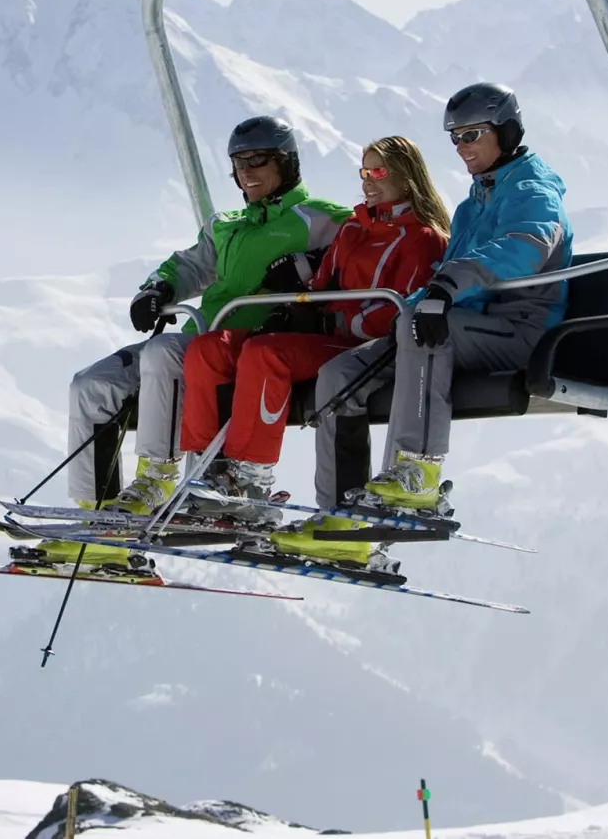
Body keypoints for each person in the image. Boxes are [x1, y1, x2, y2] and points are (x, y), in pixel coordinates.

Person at [268, 81, 573, 566]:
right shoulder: (477, 202)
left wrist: (446, 289)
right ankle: (341, 520)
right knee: (340, 375)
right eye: (454, 137)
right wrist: (420, 300)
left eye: (471, 134)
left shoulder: (531, 190)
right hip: (459, 327)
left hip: (516, 331)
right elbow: (437, 285)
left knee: (420, 328)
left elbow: (525, 246)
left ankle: (417, 475)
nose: (462, 147)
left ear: (507, 130)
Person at [43, 115, 349, 564]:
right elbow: (188, 265)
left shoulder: (318, 218)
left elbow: (363, 246)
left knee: (165, 352)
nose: (247, 170)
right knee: (90, 386)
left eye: (258, 160)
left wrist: (309, 263)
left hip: (248, 340)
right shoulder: (225, 224)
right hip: (203, 335)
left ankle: (157, 480)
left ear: (287, 163)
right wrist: (157, 288)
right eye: (238, 162)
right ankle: (100, 515)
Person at [177, 135, 449, 520]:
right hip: (323, 334)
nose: (367, 181)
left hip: (360, 345)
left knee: (266, 353)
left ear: (406, 178)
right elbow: (321, 283)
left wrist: (330, 319)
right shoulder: (354, 229)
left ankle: (249, 478)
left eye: (378, 171)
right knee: (210, 347)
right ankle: (208, 472)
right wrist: (291, 310)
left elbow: (401, 309)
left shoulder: (422, 239)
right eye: (363, 171)